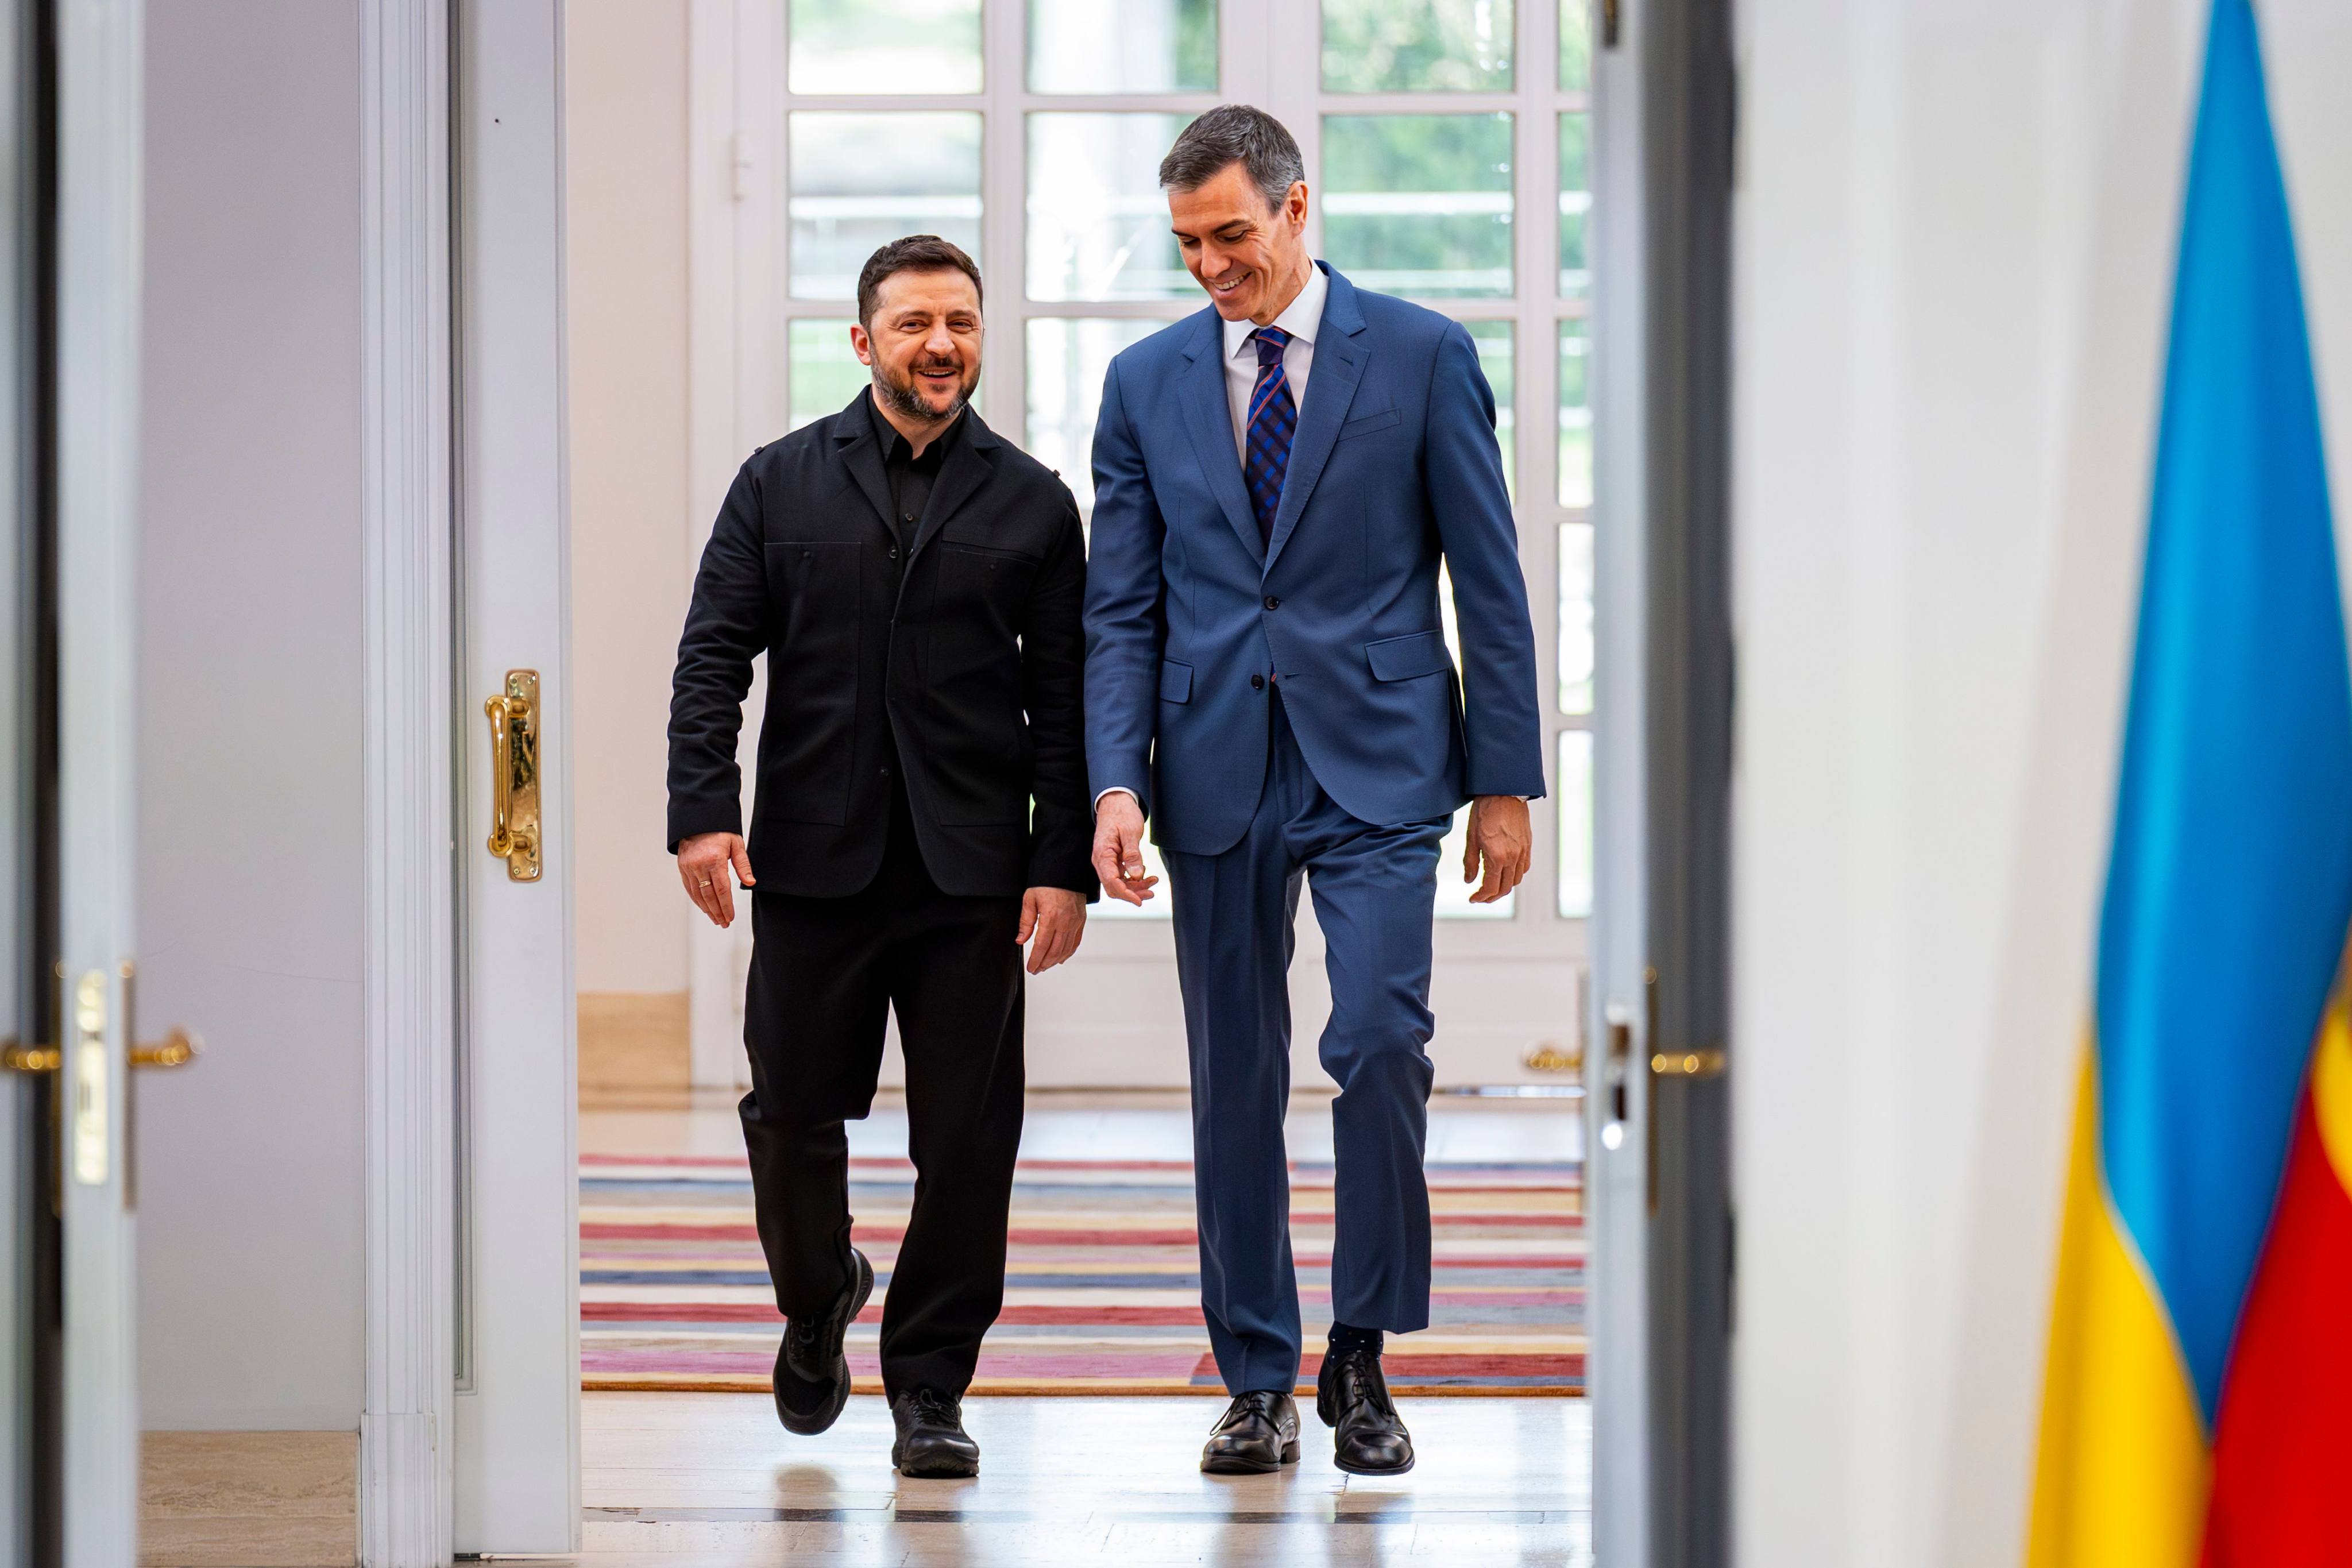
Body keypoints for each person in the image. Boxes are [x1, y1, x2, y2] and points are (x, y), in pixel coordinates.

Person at [1084, 106, 1544, 1477]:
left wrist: (1503, 783)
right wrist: (1114, 781)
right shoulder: (1141, 379)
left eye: (1230, 235)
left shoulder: (1417, 354)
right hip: (1210, 765)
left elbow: (1490, 576)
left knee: (1380, 1041)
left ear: (1295, 209)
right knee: (1233, 1075)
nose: (1211, 267)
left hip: (1384, 760)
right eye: (1186, 246)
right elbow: (1119, 609)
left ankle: (1362, 1351)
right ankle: (1254, 1375)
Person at [667, 235, 1094, 1479]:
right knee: (789, 1113)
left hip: (970, 877)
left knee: (967, 1139)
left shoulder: (1030, 503)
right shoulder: (777, 483)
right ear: (863, 343)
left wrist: (1058, 862)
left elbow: (1063, 703)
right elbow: (711, 657)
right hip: (809, 861)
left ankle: (928, 1385)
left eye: (959, 321)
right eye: (912, 323)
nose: (940, 343)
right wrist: (702, 809)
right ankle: (818, 1292)